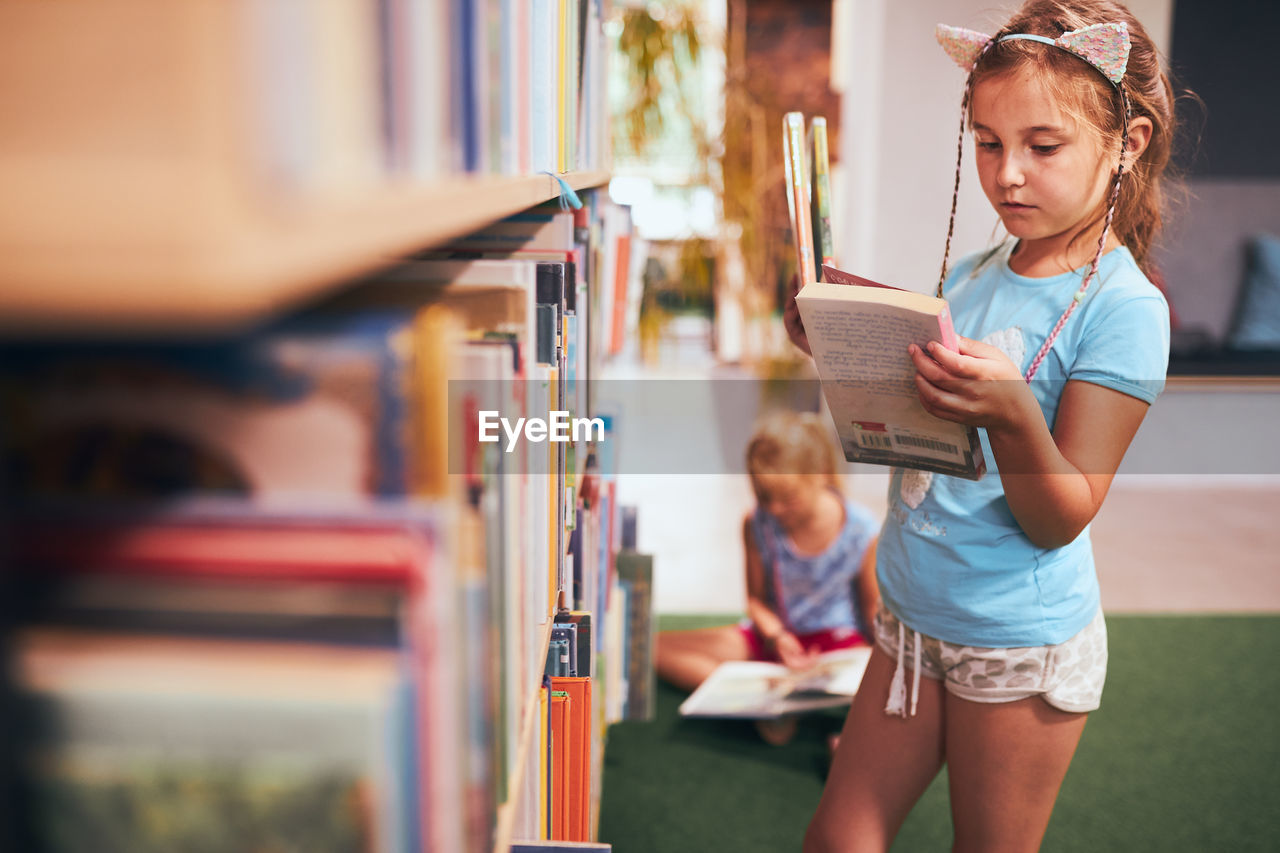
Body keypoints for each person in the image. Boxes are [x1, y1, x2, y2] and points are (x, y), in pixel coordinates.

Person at [796, 2, 1177, 850]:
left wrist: (1012, 415)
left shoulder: (1125, 311)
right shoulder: (973, 274)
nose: (1008, 174)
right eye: (989, 141)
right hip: (909, 609)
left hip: (1014, 644)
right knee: (837, 837)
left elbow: (1060, 514)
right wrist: (842, 345)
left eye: (1044, 147)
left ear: (1129, 144)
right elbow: (915, 430)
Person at [654, 410, 880, 744]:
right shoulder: (757, 523)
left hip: (837, 644)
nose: (773, 509)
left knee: (879, 674)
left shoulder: (862, 530)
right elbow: (756, 601)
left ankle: (820, 719)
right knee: (651, 646)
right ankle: (765, 700)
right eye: (763, 496)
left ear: (819, 476)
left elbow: (871, 611)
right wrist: (777, 636)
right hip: (774, 638)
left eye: (787, 499)